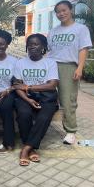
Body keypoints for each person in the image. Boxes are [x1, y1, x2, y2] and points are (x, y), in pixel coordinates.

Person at [47, 0, 93, 145]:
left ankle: (71, 131)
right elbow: (49, 51)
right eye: (58, 12)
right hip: (52, 66)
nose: (61, 14)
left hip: (69, 66)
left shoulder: (80, 29)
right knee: (47, 95)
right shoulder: (54, 31)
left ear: (70, 10)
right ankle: (44, 122)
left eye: (64, 10)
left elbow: (83, 49)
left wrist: (80, 67)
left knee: (68, 99)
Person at [13, 33, 59, 166]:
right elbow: (17, 86)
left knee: (44, 117)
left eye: (36, 44)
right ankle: (32, 149)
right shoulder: (20, 63)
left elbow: (52, 85)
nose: (32, 46)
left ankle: (26, 148)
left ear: (43, 46)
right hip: (25, 97)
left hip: (47, 97)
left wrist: (28, 87)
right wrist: (28, 100)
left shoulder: (50, 63)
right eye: (30, 44)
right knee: (24, 114)